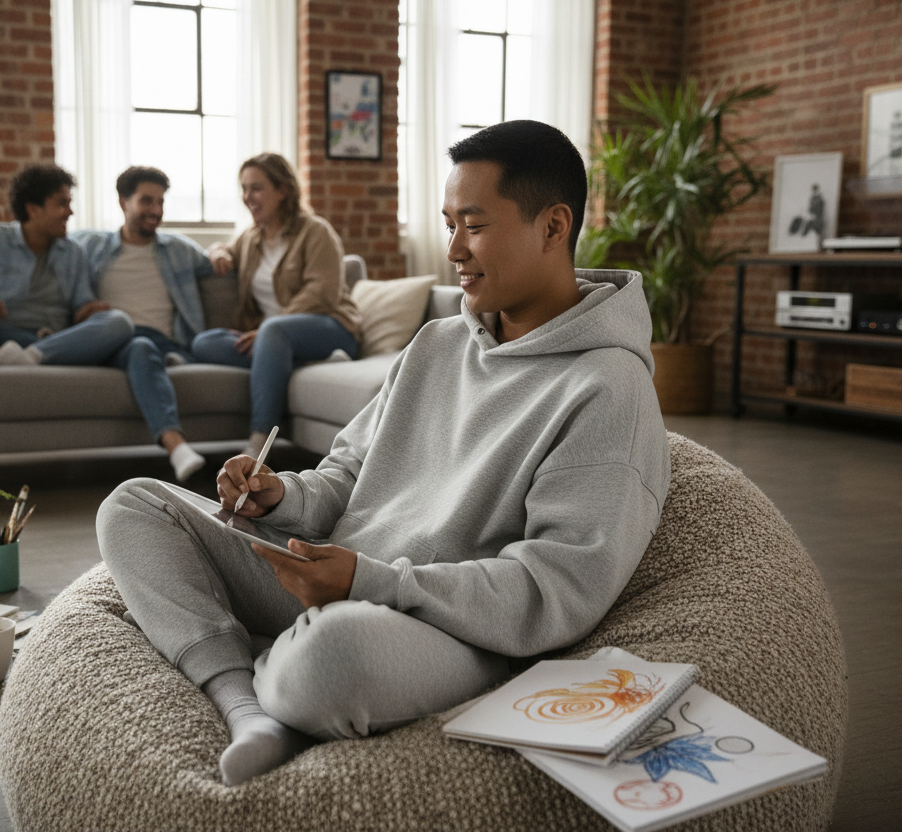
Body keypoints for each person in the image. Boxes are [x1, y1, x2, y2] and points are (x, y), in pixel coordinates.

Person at [97, 120, 671, 787]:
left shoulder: (608, 388)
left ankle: (283, 673)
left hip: (452, 629)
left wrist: (369, 584)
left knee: (330, 661)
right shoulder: (436, 344)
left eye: (475, 225)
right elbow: (347, 469)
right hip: (330, 576)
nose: (454, 249)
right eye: (448, 222)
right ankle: (244, 702)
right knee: (133, 506)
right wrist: (284, 495)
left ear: (552, 227)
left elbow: (554, 591)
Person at [191, 153, 362, 458]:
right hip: (275, 338)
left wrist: (270, 329)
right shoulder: (251, 238)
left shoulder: (316, 231)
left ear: (283, 190)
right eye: (244, 189)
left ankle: (259, 440)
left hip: (330, 326)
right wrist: (218, 251)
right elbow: (225, 248)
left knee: (273, 332)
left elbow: (322, 293)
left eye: (256, 188)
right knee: (204, 343)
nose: (247, 197)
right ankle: (301, 363)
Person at [72, 166, 216, 482]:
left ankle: (171, 361)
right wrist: (83, 308)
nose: (156, 211)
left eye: (161, 202)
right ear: (123, 202)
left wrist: (222, 249)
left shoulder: (177, 249)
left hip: (163, 341)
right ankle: (176, 446)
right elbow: (58, 266)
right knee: (137, 343)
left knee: (154, 346)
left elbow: (212, 261)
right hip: (115, 342)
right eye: (147, 201)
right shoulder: (91, 246)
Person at [0, 164, 134, 369]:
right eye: (61, 204)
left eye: (70, 203)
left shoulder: (73, 252)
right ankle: (46, 355)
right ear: (33, 209)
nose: (70, 212)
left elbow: (81, 307)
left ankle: (28, 357)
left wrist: (89, 310)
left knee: (119, 322)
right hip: (1, 332)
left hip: (53, 337)